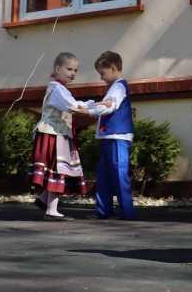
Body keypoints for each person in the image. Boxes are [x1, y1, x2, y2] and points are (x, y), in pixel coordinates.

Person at [28, 52, 99, 221]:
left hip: (58, 133)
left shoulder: (60, 88)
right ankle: (51, 211)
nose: (73, 73)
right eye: (69, 69)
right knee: (58, 169)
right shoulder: (57, 88)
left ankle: (43, 200)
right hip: (53, 134)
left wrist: (95, 104)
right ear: (58, 69)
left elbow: (72, 103)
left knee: (61, 168)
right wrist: (96, 106)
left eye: (75, 70)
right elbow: (72, 106)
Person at [84, 51, 136, 220]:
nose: (102, 78)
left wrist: (87, 110)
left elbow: (109, 107)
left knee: (119, 173)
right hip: (110, 137)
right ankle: (104, 210)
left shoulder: (119, 86)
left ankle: (127, 211)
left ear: (113, 68)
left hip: (118, 137)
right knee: (105, 176)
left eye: (102, 73)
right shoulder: (115, 87)